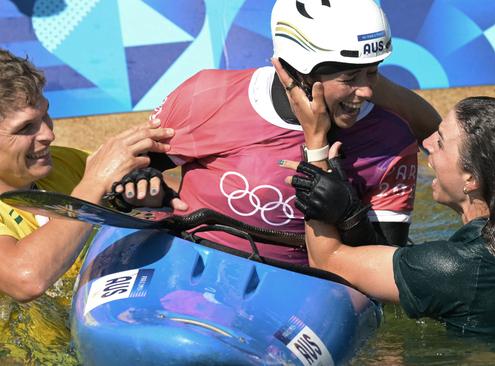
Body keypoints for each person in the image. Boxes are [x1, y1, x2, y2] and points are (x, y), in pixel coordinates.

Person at [117, 0, 441, 264]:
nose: (368, 91)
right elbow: (131, 173)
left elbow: (389, 270)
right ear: (298, 69)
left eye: (373, 73)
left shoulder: (390, 140)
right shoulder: (207, 96)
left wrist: (349, 215)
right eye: (349, 78)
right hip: (191, 261)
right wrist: (139, 184)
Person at [281, 96, 495, 335]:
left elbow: (326, 261)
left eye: (441, 142)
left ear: (471, 178)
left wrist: (316, 144)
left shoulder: (454, 267)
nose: (427, 142)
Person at [0, 49, 176, 302]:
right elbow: (27, 279)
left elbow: (170, 192)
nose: (48, 134)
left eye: (45, 115)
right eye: (26, 127)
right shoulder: (83, 176)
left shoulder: (64, 162)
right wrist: (92, 184)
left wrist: (149, 197)